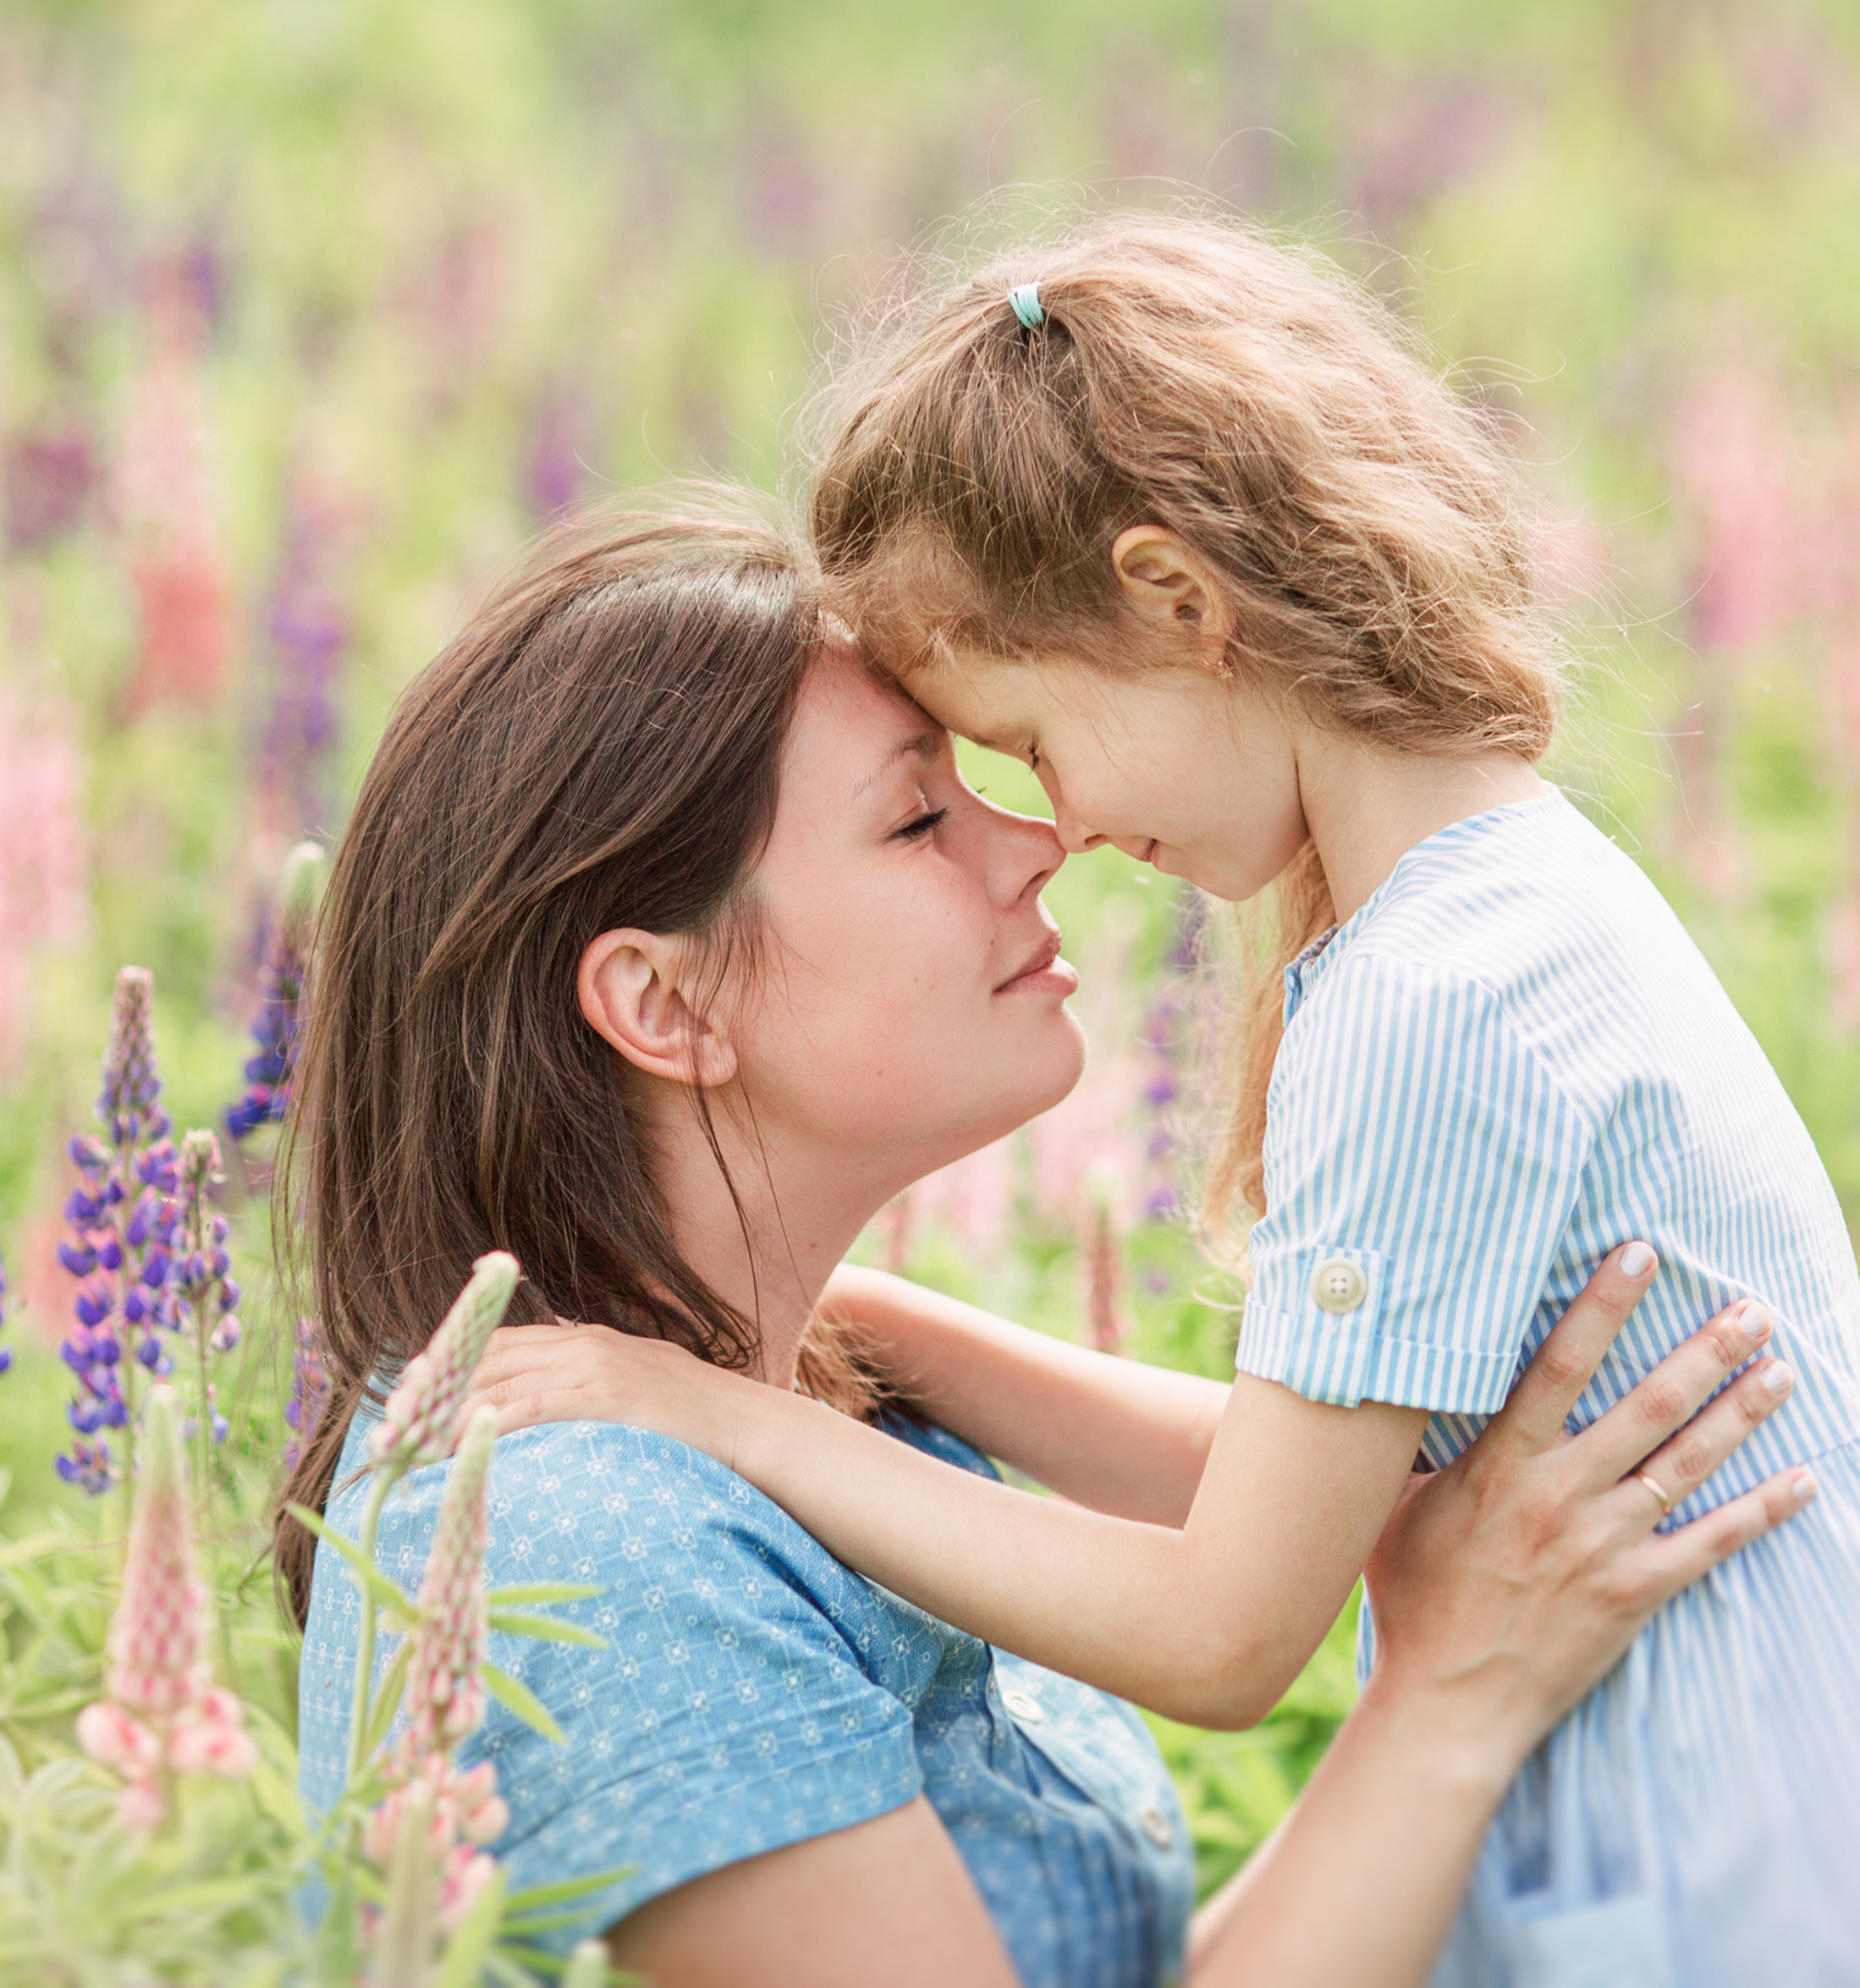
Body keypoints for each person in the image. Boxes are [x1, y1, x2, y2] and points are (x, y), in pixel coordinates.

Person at [476, 218, 1860, 1987]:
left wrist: (718, 1415)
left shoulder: (1432, 997)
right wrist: (886, 1330)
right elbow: (1328, 1482)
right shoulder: (1499, 904)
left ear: (1178, 604)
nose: (1048, 825)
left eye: (1031, 741)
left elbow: (1223, 1625)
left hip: (1696, 1879)